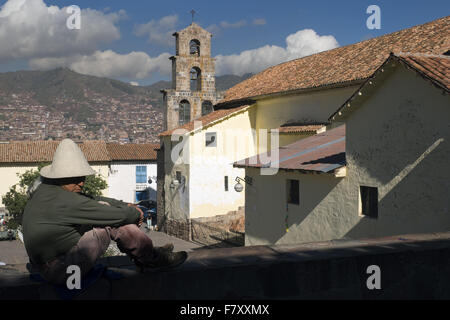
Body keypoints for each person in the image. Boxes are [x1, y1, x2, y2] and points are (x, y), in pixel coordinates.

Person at [22, 139, 187, 285]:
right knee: (110, 223)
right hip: (61, 271)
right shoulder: (65, 201)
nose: (81, 183)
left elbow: (91, 199)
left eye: (83, 177)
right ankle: (152, 260)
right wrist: (135, 213)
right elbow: (121, 216)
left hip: (47, 265)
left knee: (105, 210)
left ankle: (149, 254)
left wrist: (125, 204)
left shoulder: (48, 189)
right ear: (61, 176)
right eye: (75, 178)